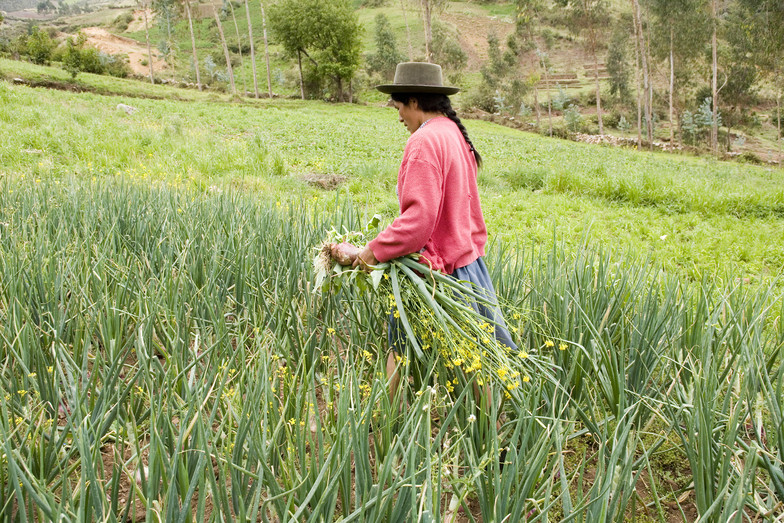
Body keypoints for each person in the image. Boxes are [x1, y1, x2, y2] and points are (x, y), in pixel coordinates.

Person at [332, 62, 516, 403]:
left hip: (433, 270)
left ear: (414, 102)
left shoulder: (424, 142)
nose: (399, 115)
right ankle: (492, 431)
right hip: (466, 263)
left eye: (399, 106)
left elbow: (418, 221)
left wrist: (371, 251)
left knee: (409, 348)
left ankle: (389, 419)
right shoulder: (453, 133)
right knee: (475, 353)